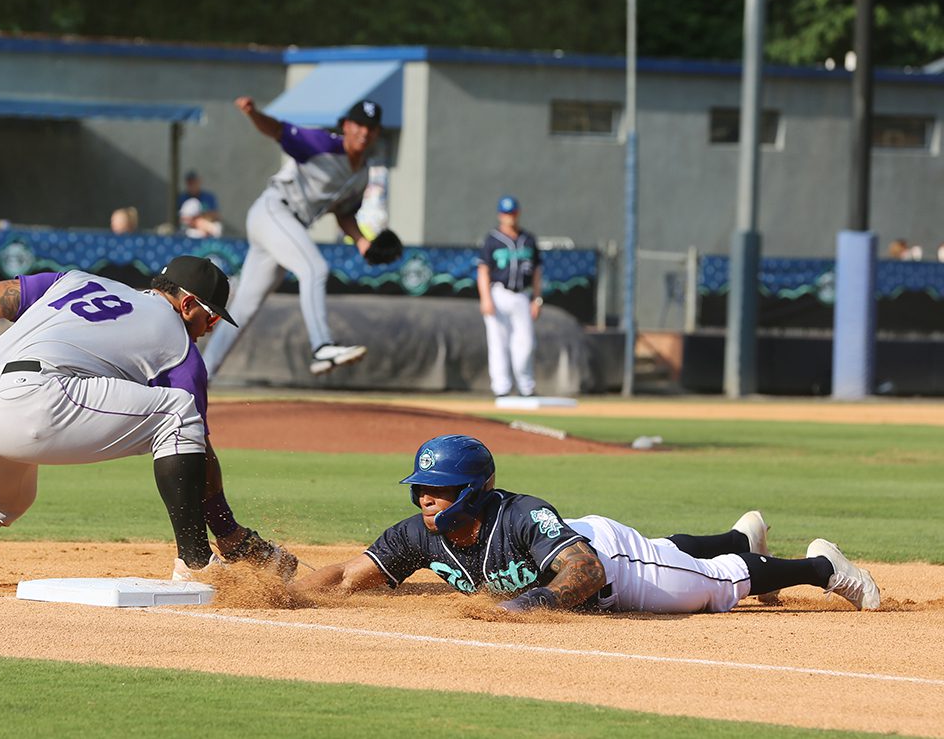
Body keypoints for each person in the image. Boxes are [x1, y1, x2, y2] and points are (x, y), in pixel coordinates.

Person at [0, 255, 297, 587]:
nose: (211, 327)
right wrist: (229, 532)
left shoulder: (75, 280)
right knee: (179, 415)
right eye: (212, 316)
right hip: (33, 400)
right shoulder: (179, 345)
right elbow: (198, 451)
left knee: (1, 501)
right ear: (190, 304)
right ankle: (195, 562)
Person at [292, 434, 880, 614]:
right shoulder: (417, 533)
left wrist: (526, 607)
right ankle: (740, 536)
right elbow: (346, 576)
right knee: (674, 549)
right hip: (575, 549)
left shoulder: (521, 514)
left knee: (716, 585)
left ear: (472, 492)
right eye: (421, 490)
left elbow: (585, 569)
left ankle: (826, 567)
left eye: (439, 491)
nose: (425, 501)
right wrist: (285, 593)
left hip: (611, 563)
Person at [199, 97, 381, 378]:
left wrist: (360, 240)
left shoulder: (362, 174)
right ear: (346, 126)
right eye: (358, 124)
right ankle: (322, 346)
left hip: (285, 227)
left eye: (370, 127)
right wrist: (254, 114)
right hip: (273, 211)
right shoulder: (322, 144)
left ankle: (201, 375)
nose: (364, 132)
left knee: (245, 308)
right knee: (315, 268)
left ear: (377, 132)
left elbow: (344, 214)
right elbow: (278, 130)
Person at [476, 196, 544, 398]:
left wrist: (537, 299)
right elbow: (483, 271)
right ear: (500, 215)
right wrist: (485, 298)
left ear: (518, 213)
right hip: (498, 293)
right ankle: (502, 388)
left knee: (526, 343)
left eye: (512, 213)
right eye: (506, 213)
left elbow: (537, 273)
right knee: (498, 343)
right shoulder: (492, 239)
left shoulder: (528, 239)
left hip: (522, 295)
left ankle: (526, 387)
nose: (510, 217)